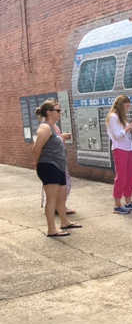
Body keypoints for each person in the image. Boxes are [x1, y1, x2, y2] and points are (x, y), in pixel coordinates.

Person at [32, 99, 82, 237]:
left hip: (58, 166)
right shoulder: (45, 128)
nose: (60, 113)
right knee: (52, 199)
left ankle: (65, 222)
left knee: (61, 198)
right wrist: (37, 166)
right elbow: (36, 149)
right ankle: (51, 229)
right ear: (49, 112)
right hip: (49, 166)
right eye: (58, 110)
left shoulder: (53, 127)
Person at [105, 95, 132, 214]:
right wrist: (128, 127)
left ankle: (128, 201)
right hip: (119, 149)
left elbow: (124, 132)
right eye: (127, 106)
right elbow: (116, 135)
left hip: (128, 148)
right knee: (121, 177)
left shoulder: (121, 118)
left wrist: (131, 127)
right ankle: (117, 205)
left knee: (130, 176)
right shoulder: (113, 117)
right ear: (121, 105)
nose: (128, 108)